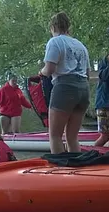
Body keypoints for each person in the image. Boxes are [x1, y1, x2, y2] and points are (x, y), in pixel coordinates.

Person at [38, 12, 92, 154]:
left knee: (55, 136)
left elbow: (49, 69)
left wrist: (41, 72)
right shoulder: (81, 45)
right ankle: (76, 170)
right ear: (68, 26)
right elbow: (87, 73)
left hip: (65, 88)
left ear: (53, 27)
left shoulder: (55, 42)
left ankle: (59, 170)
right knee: (72, 137)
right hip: (83, 90)